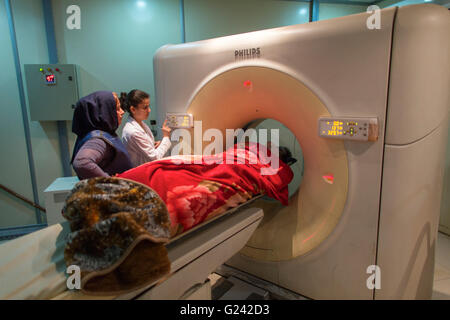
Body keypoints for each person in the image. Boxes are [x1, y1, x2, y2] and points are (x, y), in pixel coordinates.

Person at [71, 91, 133, 179]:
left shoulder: (102, 134)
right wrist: (113, 183)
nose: (122, 112)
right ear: (104, 112)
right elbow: (82, 163)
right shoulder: (98, 140)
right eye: (117, 108)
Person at [120, 90, 172, 167]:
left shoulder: (140, 123)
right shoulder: (133, 131)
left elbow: (142, 149)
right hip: (140, 174)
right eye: (145, 107)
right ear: (133, 109)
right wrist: (166, 137)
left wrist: (152, 145)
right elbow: (155, 157)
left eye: (148, 106)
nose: (149, 110)